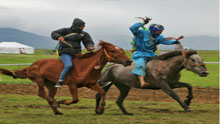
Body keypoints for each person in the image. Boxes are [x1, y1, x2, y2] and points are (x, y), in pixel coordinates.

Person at [129, 17, 180, 88]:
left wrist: (174, 42)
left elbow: (165, 41)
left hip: (152, 54)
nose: (159, 33)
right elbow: (132, 28)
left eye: (161, 32)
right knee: (141, 65)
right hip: (140, 54)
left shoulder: (159, 37)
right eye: (158, 32)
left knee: (162, 63)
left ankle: (161, 79)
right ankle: (142, 82)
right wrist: (143, 23)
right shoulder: (142, 33)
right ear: (152, 31)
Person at [51, 18, 95, 87]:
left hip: (77, 53)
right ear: (75, 26)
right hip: (65, 52)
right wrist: (58, 36)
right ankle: (60, 80)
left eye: (83, 27)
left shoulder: (84, 34)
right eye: (80, 26)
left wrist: (90, 46)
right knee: (69, 65)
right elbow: (54, 33)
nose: (81, 28)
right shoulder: (65, 30)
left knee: (86, 65)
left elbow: (88, 41)